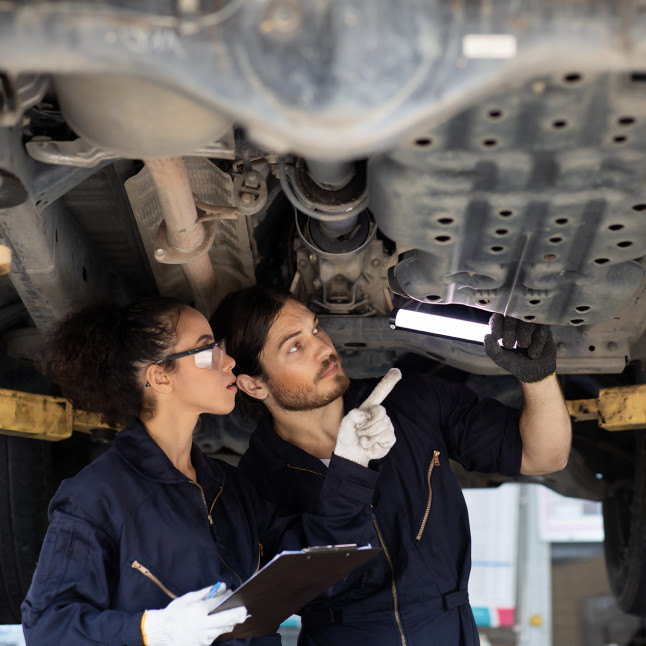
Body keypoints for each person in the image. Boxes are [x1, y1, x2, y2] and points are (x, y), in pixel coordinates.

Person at [21, 296, 399, 646]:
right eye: (208, 349)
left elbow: (315, 565)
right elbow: (47, 627)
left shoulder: (228, 486)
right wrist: (153, 630)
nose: (229, 360)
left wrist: (350, 466)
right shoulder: (97, 495)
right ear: (160, 377)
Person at [209, 285, 573, 646]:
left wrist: (537, 377)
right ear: (254, 386)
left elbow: (542, 456)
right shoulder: (253, 486)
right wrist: (350, 470)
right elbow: (303, 586)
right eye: (295, 346)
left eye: (316, 327)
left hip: (448, 628)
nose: (323, 347)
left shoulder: (411, 401)